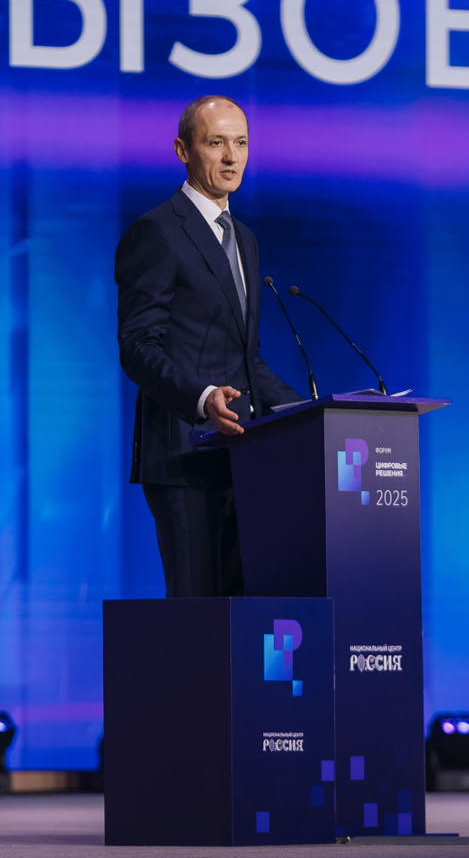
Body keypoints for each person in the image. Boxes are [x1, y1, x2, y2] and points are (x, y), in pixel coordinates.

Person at [115, 95, 303, 597]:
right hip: (184, 457)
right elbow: (137, 345)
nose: (231, 157)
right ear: (183, 150)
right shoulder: (156, 232)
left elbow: (246, 358)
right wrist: (201, 397)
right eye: (216, 142)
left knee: (243, 617)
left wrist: (309, 413)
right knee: (198, 618)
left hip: (244, 458)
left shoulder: (245, 239)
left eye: (240, 143)